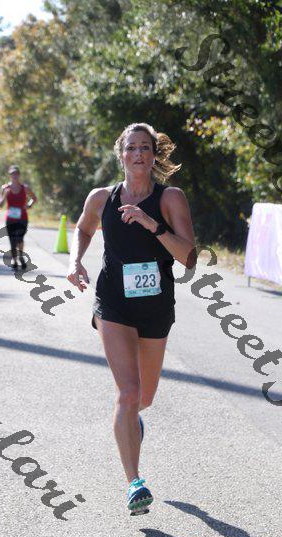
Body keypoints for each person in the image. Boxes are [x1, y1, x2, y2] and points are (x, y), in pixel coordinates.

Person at [67, 123, 196, 516]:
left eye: (145, 148)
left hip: (155, 307)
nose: (138, 154)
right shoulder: (101, 197)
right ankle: (134, 483)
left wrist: (151, 224)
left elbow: (188, 258)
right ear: (120, 154)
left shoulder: (170, 197)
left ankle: (131, 424)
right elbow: (83, 229)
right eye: (131, 148)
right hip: (113, 304)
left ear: (154, 155)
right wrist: (75, 261)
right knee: (127, 392)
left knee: (144, 398)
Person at [0, 165, 37, 270]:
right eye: (12, 174)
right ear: (9, 175)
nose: (14, 176)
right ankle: (14, 260)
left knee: (20, 238)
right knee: (12, 240)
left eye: (16, 173)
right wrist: (5, 195)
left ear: (19, 175)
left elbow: (34, 198)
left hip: (22, 218)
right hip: (10, 218)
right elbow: (0, 204)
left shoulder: (25, 188)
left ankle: (20, 256)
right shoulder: (5, 188)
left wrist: (29, 205)